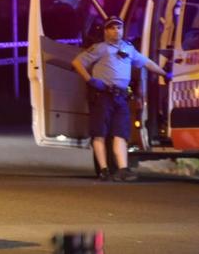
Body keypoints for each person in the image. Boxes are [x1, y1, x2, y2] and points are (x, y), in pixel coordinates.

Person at [72, 16, 171, 182]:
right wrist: (90, 80)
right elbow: (77, 62)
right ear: (105, 31)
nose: (116, 31)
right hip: (103, 95)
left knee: (121, 134)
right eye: (112, 28)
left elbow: (146, 62)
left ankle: (123, 169)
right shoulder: (100, 48)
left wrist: (165, 74)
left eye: (119, 28)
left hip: (121, 97)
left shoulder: (128, 48)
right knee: (100, 134)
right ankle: (103, 170)